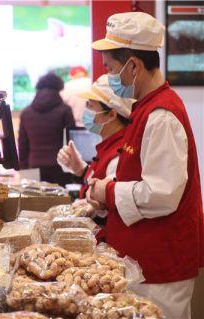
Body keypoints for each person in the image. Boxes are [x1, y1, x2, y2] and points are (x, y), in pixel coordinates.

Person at [87, 12, 203, 319]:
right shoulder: (146, 110)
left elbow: (162, 194)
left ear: (134, 66)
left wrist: (108, 191)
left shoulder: (161, 115)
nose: (112, 79)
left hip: (161, 267)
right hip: (146, 262)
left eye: (112, 69)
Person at [57, 74, 134, 240]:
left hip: (109, 245)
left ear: (112, 115)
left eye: (91, 106)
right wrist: (81, 169)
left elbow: (110, 209)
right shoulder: (108, 146)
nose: (87, 112)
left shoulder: (120, 154)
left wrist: (92, 209)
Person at [18, 72, 75, 186]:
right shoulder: (65, 110)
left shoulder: (26, 112)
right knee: (61, 203)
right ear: (59, 88)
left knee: (36, 202)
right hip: (60, 168)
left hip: (34, 165)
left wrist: (24, 169)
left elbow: (22, 144)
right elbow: (71, 142)